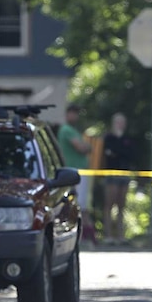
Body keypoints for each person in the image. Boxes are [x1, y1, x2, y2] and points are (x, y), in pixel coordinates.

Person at [56, 104, 95, 243]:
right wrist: (87, 147)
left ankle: (86, 234)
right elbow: (81, 147)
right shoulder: (67, 130)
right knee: (80, 204)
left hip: (80, 172)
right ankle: (85, 235)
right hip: (75, 173)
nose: (75, 116)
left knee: (83, 204)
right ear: (67, 114)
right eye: (72, 113)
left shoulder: (74, 130)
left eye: (76, 113)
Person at [101, 112, 135, 244]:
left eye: (123, 122)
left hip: (124, 174)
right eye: (118, 122)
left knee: (122, 205)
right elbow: (109, 153)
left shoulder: (127, 138)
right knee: (109, 204)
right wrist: (118, 152)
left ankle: (121, 235)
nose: (121, 125)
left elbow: (130, 154)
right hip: (111, 174)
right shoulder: (108, 138)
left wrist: (118, 152)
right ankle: (108, 235)